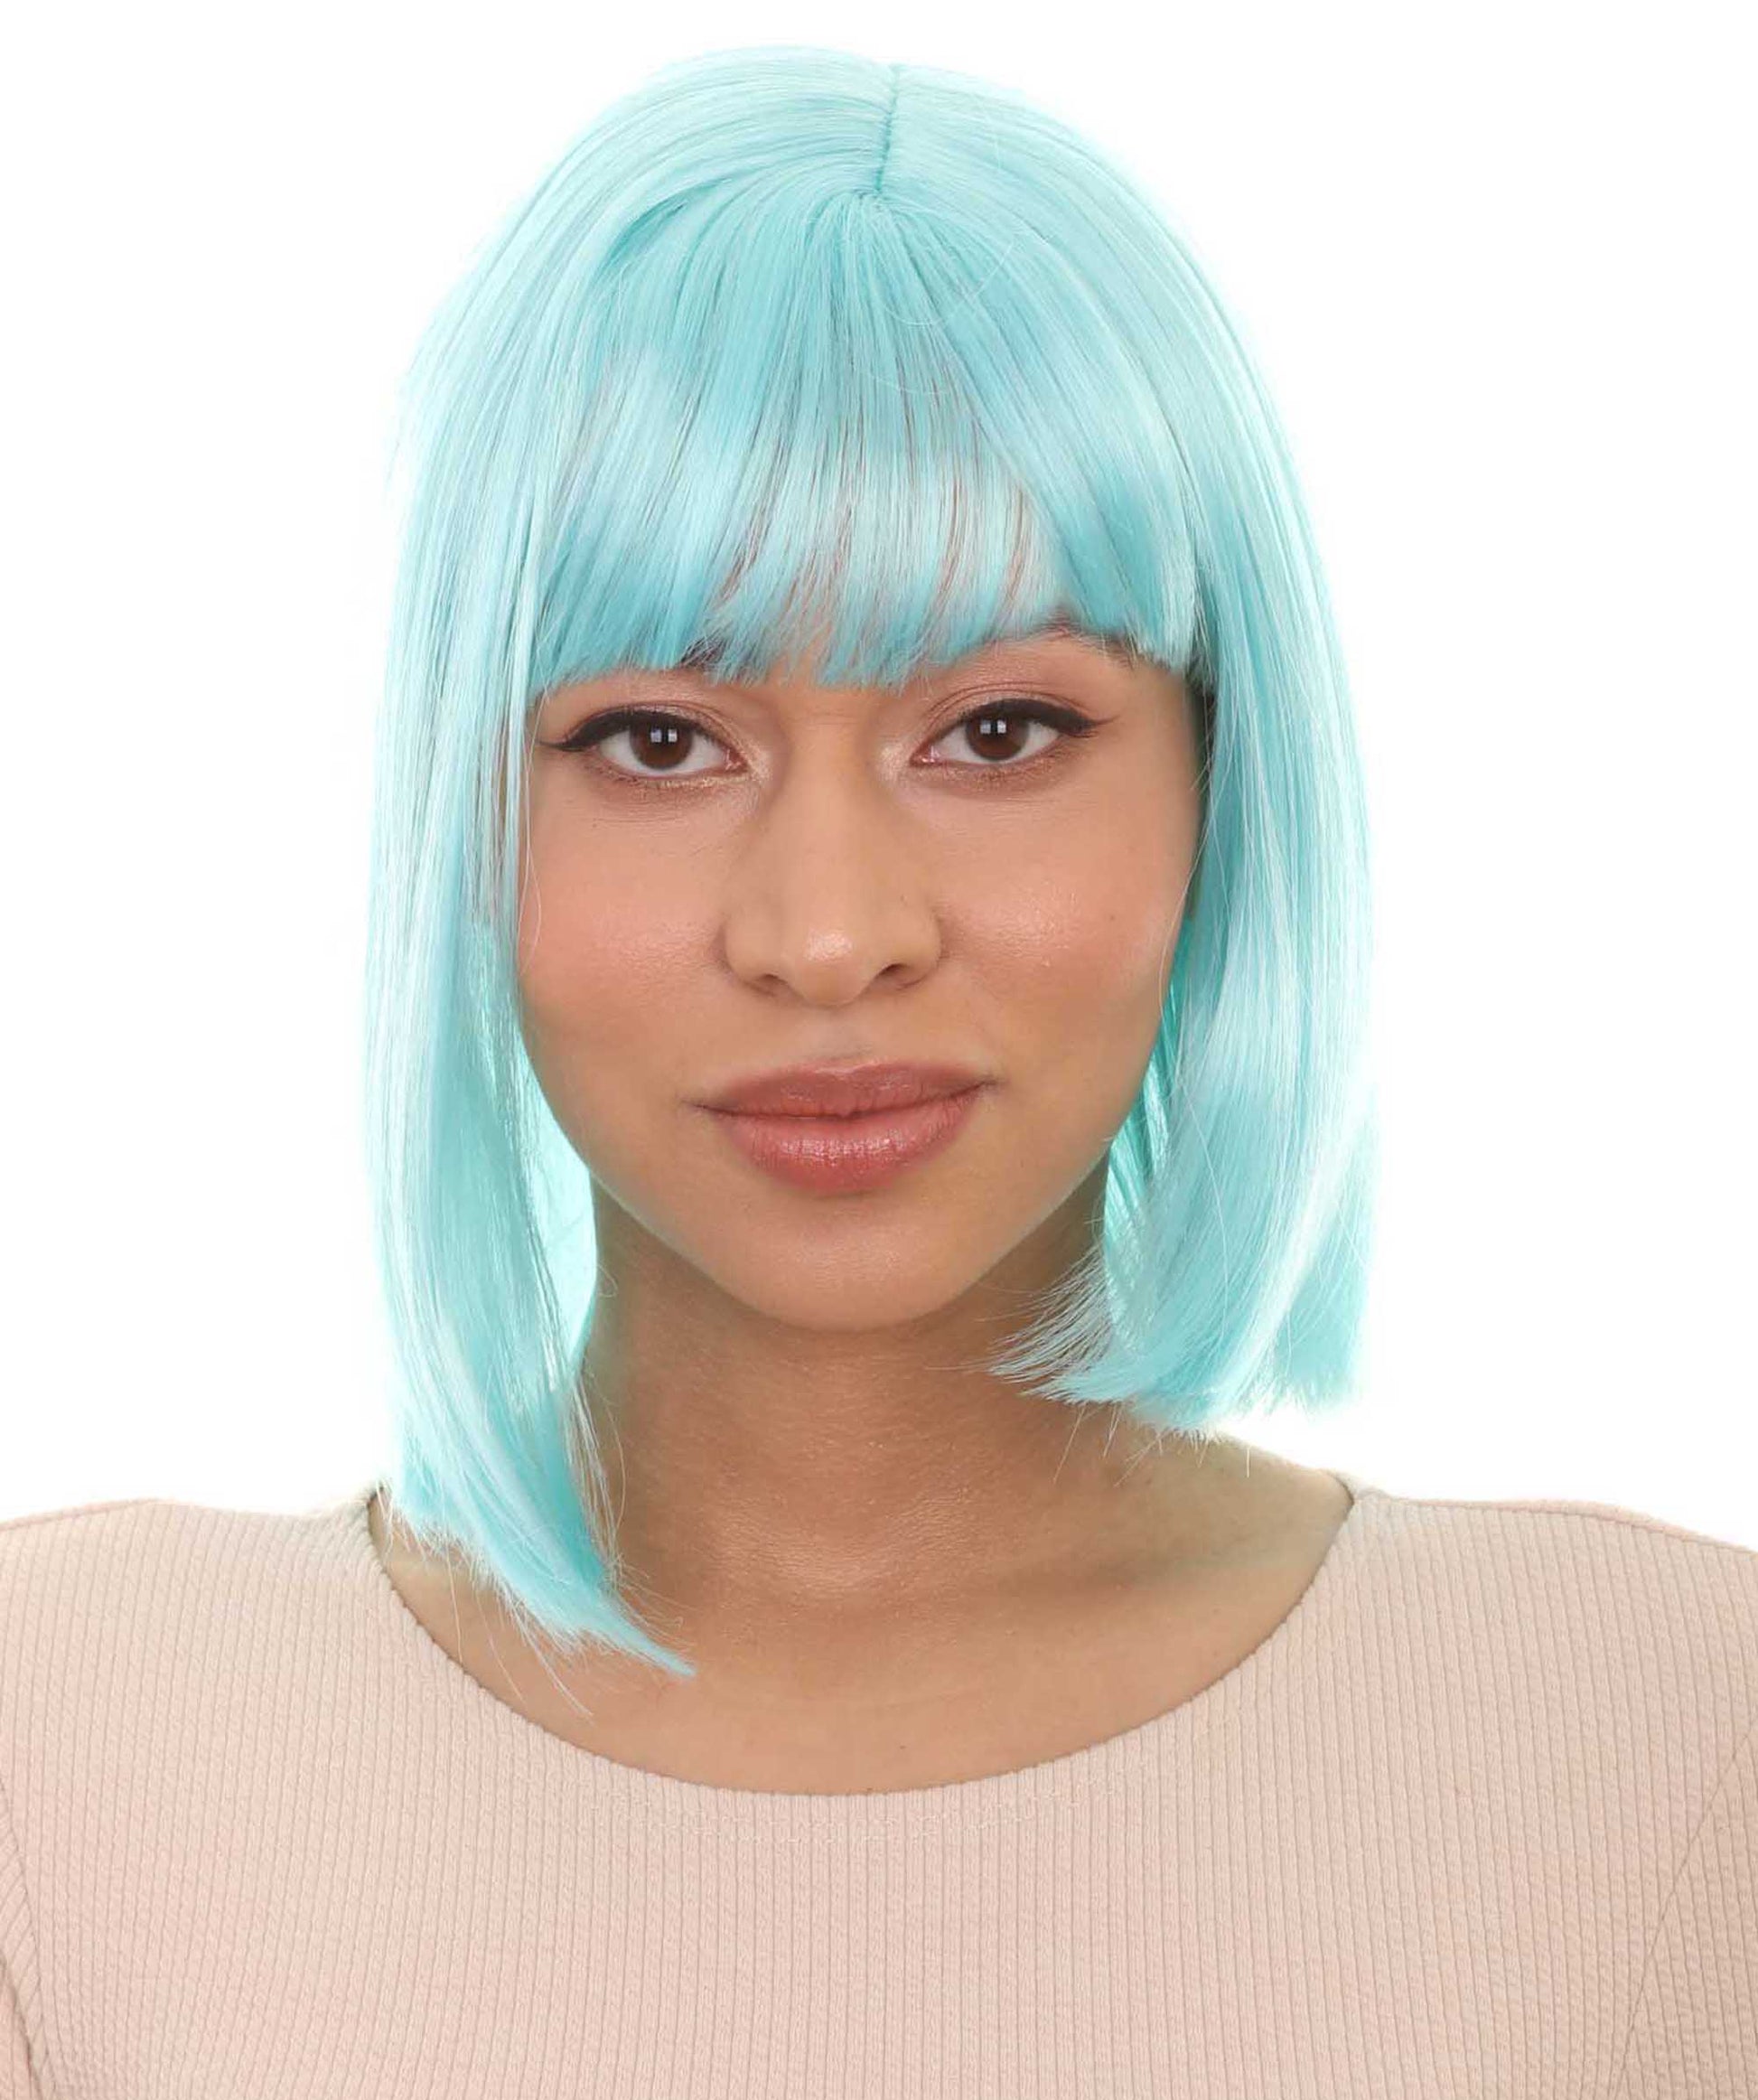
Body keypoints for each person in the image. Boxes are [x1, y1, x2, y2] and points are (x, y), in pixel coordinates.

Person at [2, 44, 1752, 2099]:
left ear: (1222, 786)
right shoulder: (66, 1755)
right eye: (658, 739)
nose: (828, 934)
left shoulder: (1671, 1751)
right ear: (462, 814)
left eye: (998, 731)